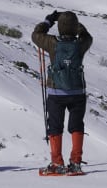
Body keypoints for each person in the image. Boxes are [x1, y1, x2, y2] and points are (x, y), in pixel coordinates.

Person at [32, 10, 92, 174]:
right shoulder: (81, 44)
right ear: (75, 27)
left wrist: (49, 21)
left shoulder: (52, 43)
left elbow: (36, 35)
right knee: (77, 125)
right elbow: (87, 36)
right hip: (78, 92)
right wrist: (76, 25)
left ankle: (57, 164)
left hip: (56, 93)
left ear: (59, 28)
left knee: (55, 127)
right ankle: (76, 163)